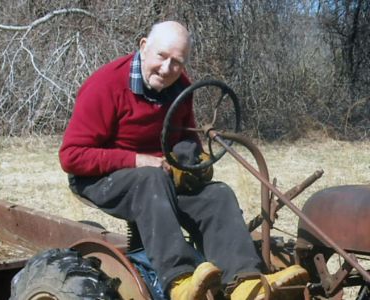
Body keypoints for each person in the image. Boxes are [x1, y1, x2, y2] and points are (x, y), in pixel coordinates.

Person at [59, 21, 308, 300]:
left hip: (156, 176)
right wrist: (136, 160)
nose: (167, 70)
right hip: (99, 177)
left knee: (217, 195)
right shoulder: (105, 85)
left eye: (177, 62)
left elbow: (184, 135)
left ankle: (242, 282)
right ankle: (179, 282)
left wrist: (190, 158)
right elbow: (71, 156)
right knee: (151, 178)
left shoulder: (179, 87)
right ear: (143, 46)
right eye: (161, 57)